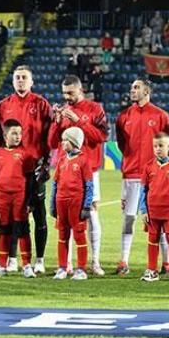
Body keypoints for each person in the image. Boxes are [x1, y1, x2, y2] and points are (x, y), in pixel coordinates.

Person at [0, 65, 53, 274]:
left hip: (35, 168)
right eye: (17, 77)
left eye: (24, 77)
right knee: (12, 216)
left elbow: (50, 137)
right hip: (12, 170)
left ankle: (40, 259)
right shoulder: (3, 106)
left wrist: (46, 164)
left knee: (38, 214)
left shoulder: (42, 105)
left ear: (31, 82)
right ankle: (11, 258)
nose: (20, 80)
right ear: (13, 81)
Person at [48, 75, 108, 275]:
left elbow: (101, 137)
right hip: (66, 170)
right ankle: (68, 265)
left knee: (90, 213)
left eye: (70, 93)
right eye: (64, 93)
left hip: (89, 170)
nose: (67, 97)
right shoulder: (63, 111)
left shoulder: (95, 109)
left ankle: (95, 261)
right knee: (67, 219)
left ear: (80, 90)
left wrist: (80, 122)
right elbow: (51, 143)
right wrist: (57, 123)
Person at [115, 79, 169, 275]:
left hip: (155, 175)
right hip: (131, 175)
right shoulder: (124, 116)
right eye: (132, 87)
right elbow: (123, 145)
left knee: (160, 219)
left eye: (136, 87)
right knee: (128, 219)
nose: (132, 90)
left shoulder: (161, 116)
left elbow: (168, 143)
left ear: (147, 91)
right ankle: (124, 260)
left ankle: (166, 263)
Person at [0, 119, 37, 278]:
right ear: (5, 134)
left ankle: (27, 266)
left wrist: (30, 201)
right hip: (2, 198)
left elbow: (31, 180)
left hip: (19, 198)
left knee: (22, 230)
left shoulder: (26, 155)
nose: (18, 136)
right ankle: (1, 265)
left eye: (20, 133)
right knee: (4, 230)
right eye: (14, 133)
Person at [139, 132, 169, 283]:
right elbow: (143, 190)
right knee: (152, 240)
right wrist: (144, 210)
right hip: (152, 211)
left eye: (161, 146)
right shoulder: (148, 167)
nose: (157, 149)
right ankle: (152, 270)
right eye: (155, 146)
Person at [50, 127, 94, 281]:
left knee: (79, 236)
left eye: (65, 140)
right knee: (62, 235)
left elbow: (89, 185)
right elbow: (55, 183)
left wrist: (87, 206)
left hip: (76, 203)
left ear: (74, 142)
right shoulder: (61, 160)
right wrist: (52, 203)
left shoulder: (83, 160)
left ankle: (81, 269)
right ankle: (62, 268)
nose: (62, 143)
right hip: (61, 202)